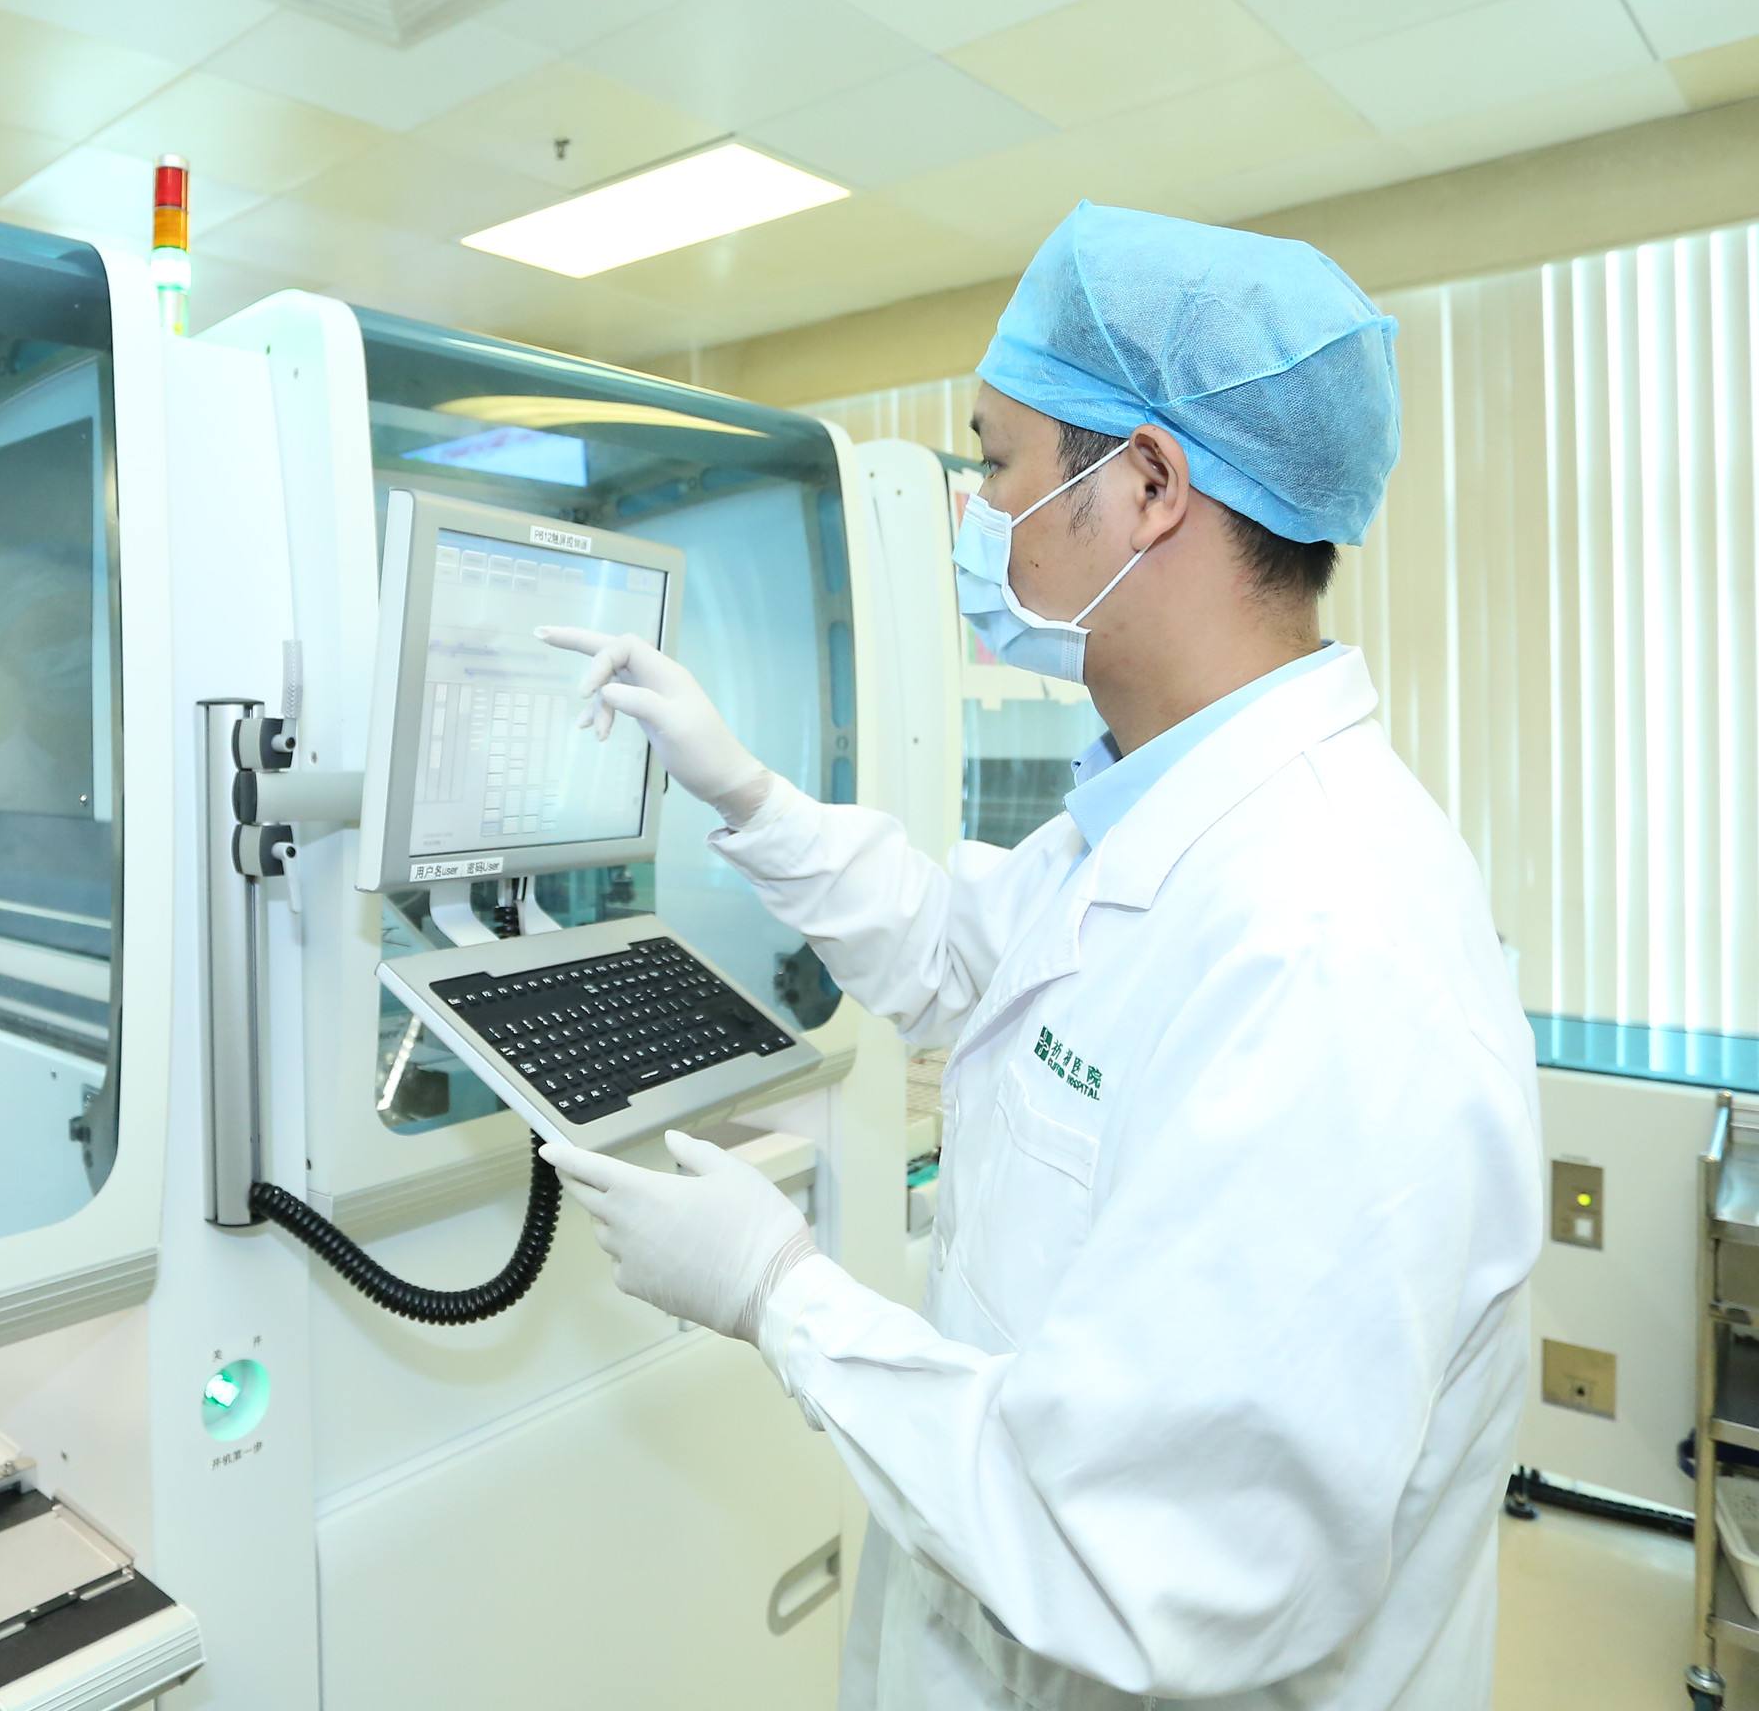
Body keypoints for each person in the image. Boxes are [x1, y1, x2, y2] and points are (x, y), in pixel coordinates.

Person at [537, 204, 1543, 1711]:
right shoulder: (1150, 818)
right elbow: (969, 954)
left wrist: (781, 1294)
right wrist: (746, 793)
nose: (975, 514)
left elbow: (1149, 1557)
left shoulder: (1328, 949)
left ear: (1147, 487)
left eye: (997, 465)